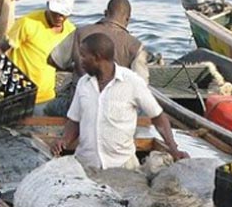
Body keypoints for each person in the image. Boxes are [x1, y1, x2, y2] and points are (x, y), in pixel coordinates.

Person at [52, 32, 188, 171]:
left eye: (83, 56)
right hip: (86, 164)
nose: (79, 61)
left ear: (97, 57)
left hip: (123, 167)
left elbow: (158, 117)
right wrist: (64, 140)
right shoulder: (83, 83)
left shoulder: (132, 81)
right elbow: (74, 120)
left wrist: (173, 148)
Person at [48, 0, 149, 113]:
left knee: (50, 107)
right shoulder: (135, 46)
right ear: (127, 19)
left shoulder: (80, 32)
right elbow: (141, 86)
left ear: (105, 13)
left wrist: (76, 66)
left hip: (80, 105)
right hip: (113, 108)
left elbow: (53, 60)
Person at [3, 0, 76, 115]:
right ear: (47, 5)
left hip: (46, 96)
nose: (59, 17)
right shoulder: (28, 23)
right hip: (20, 95)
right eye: (56, 13)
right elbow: (3, 47)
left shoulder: (70, 31)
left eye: (63, 14)